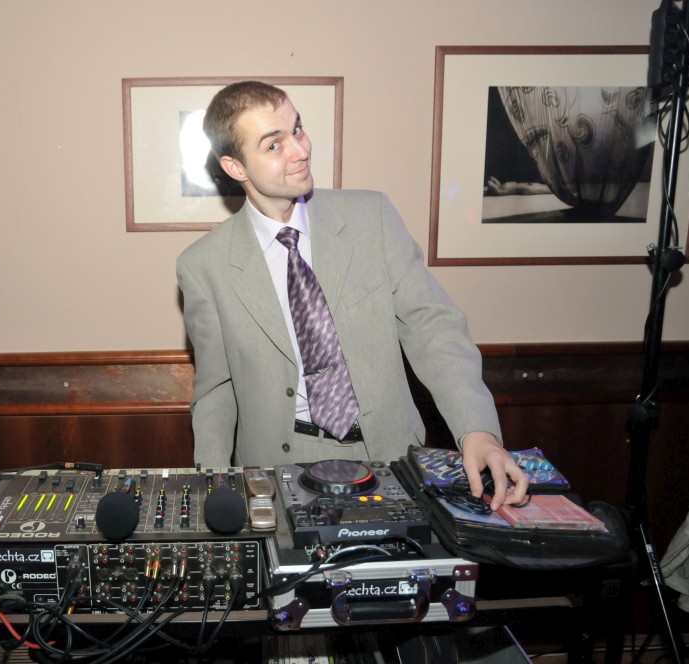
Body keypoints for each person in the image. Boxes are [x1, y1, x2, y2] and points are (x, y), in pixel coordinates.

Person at [176, 81, 528, 510]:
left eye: (297, 129)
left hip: (389, 456)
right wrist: (215, 490)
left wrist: (478, 431)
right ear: (236, 167)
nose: (300, 150)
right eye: (273, 145)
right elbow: (215, 391)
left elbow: (434, 327)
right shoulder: (204, 265)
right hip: (275, 472)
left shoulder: (372, 217)